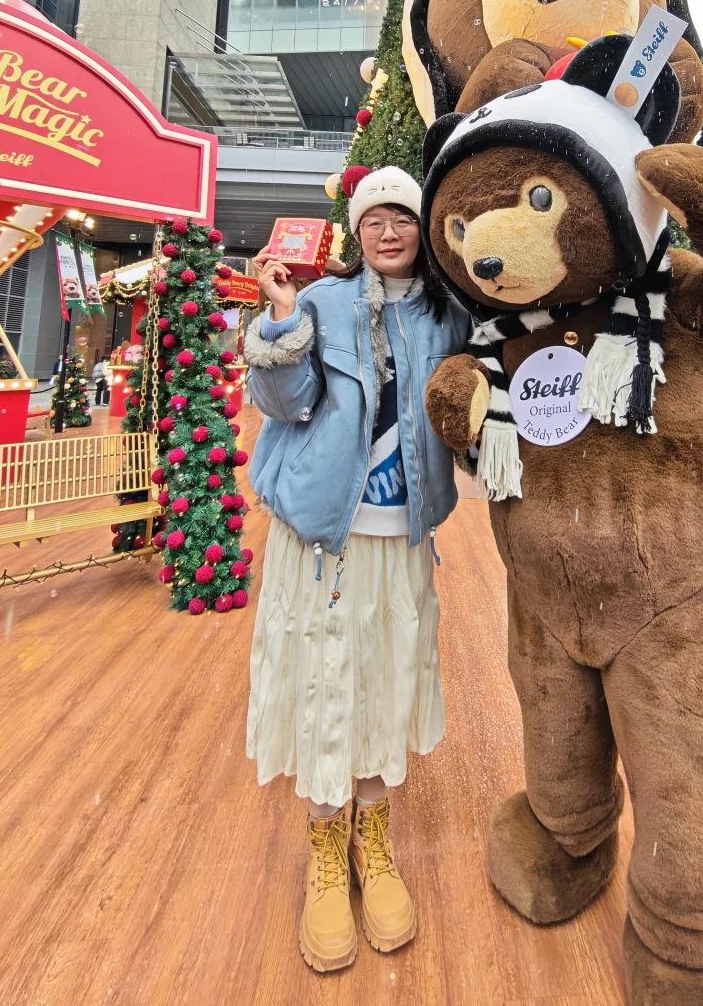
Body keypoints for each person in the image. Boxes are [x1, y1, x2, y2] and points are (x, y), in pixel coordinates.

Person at [243, 167, 468, 975]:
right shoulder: (321, 303)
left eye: (402, 216)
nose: (388, 231)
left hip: (400, 535)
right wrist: (279, 316)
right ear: (356, 229)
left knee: (384, 677)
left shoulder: (448, 312)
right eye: (374, 218)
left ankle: (374, 835)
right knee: (323, 679)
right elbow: (283, 403)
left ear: (420, 228)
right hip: (320, 536)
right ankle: (325, 844)